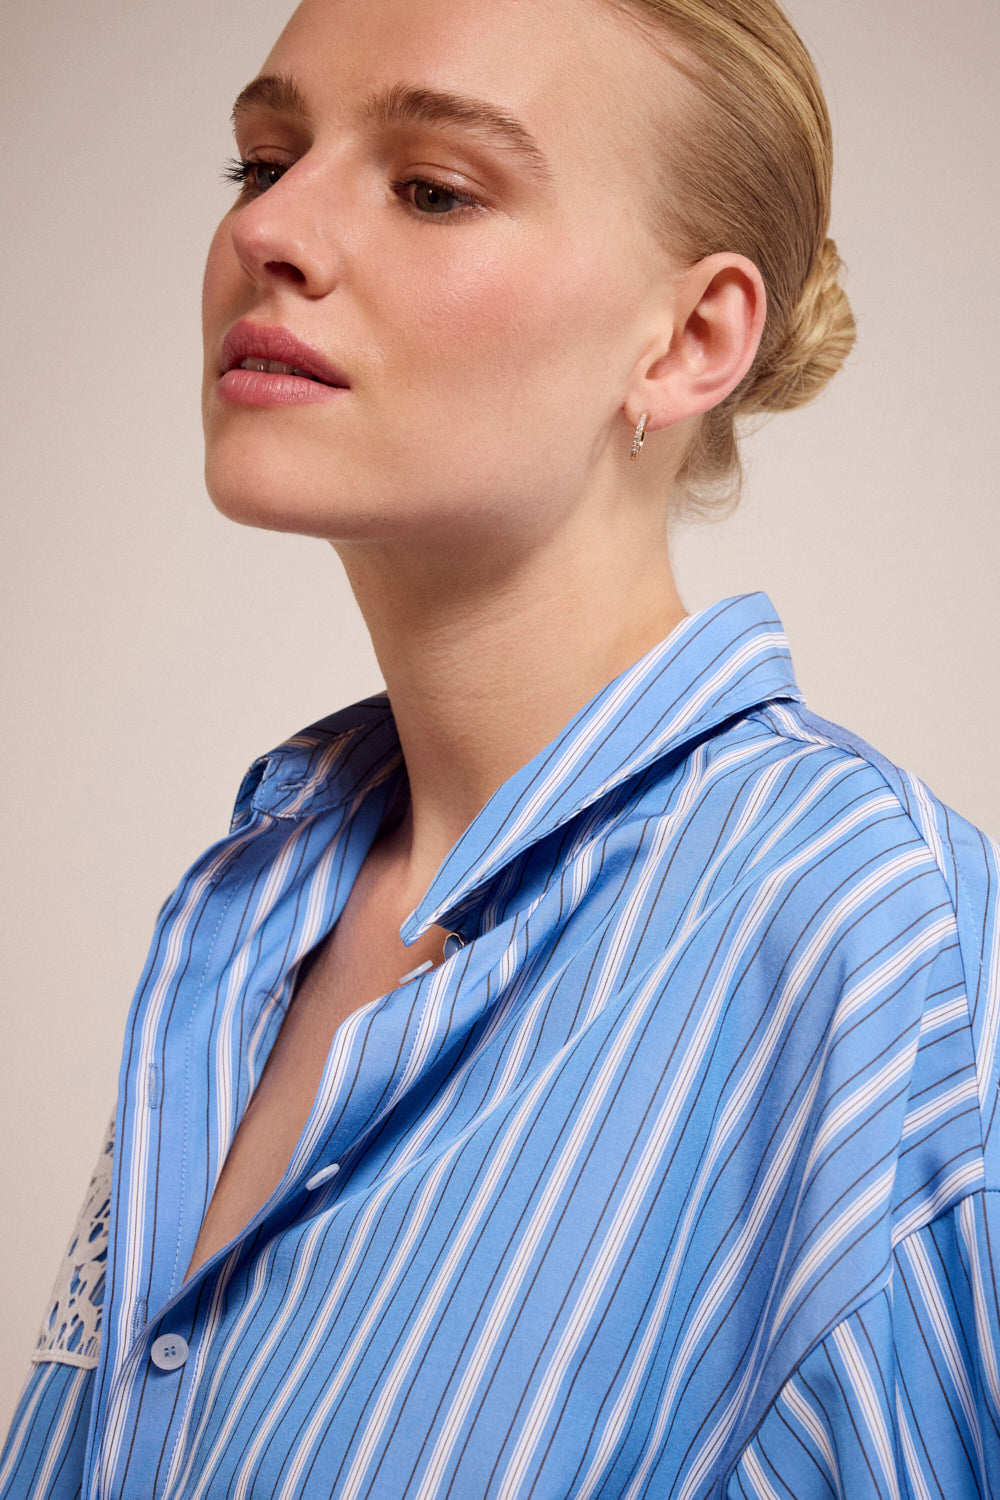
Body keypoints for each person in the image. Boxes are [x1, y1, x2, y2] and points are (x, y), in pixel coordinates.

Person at [2, 0, 998, 1495]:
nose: (270, 229)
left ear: (690, 339)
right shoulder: (257, 900)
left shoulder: (871, 943)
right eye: (262, 161)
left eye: (431, 189)